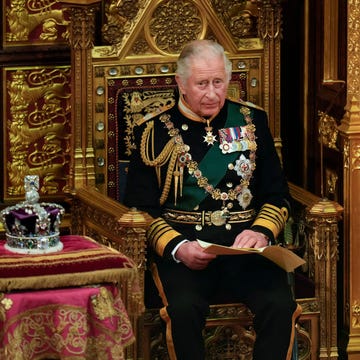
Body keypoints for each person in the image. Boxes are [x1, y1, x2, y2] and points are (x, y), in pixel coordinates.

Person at [124, 39, 301, 360]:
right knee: (183, 310)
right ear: (180, 83)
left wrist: (261, 231)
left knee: (280, 305)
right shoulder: (154, 131)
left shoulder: (251, 121)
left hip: (247, 249)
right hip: (187, 251)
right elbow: (141, 208)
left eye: (218, 82)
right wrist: (179, 247)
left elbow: (276, 193)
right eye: (202, 83)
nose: (212, 93)